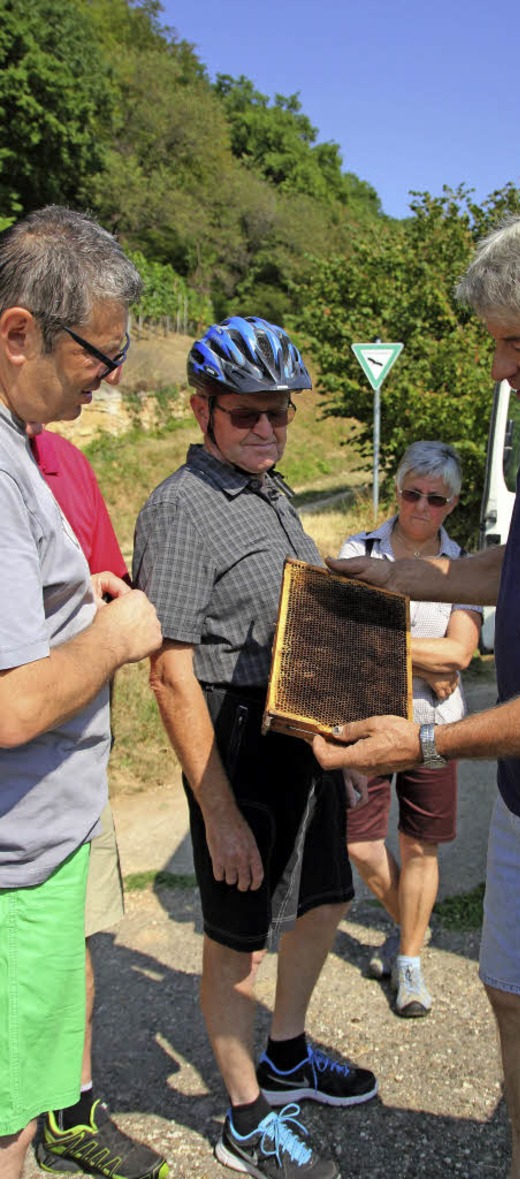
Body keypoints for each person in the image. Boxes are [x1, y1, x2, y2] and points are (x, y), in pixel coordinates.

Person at [312, 197, 520, 1177]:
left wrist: (425, 742)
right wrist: (403, 576)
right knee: (517, 1001)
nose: (496, 369)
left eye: (515, 345)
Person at [133, 316, 377, 1179]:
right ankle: (243, 1118)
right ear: (204, 411)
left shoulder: (272, 487)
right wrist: (220, 811)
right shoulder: (179, 508)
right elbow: (170, 673)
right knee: (237, 943)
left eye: (279, 414)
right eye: (246, 415)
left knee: (325, 900)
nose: (267, 430)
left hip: (300, 731)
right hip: (234, 740)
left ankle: (285, 1054)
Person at [0, 205, 163, 1179]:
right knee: (9, 1123)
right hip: (15, 871)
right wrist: (111, 635)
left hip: (33, 856)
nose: (111, 381)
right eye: (99, 358)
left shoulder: (17, 439)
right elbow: (10, 704)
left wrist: (73, 606)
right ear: (17, 334)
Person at [27, 425, 168, 1179]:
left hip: (71, 765)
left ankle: (73, 1114)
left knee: (73, 947)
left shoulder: (65, 460)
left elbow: (108, 583)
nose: (104, 376)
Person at [339, 441, 481, 1018]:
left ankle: (411, 961)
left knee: (420, 845)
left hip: (434, 731)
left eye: (435, 498)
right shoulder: (359, 551)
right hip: (369, 724)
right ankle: (410, 932)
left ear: (452, 503)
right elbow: (341, 639)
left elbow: (460, 658)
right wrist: (425, 660)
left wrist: (389, 648)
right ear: (396, 490)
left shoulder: (464, 566)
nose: (421, 506)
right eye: (411, 493)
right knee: (360, 843)